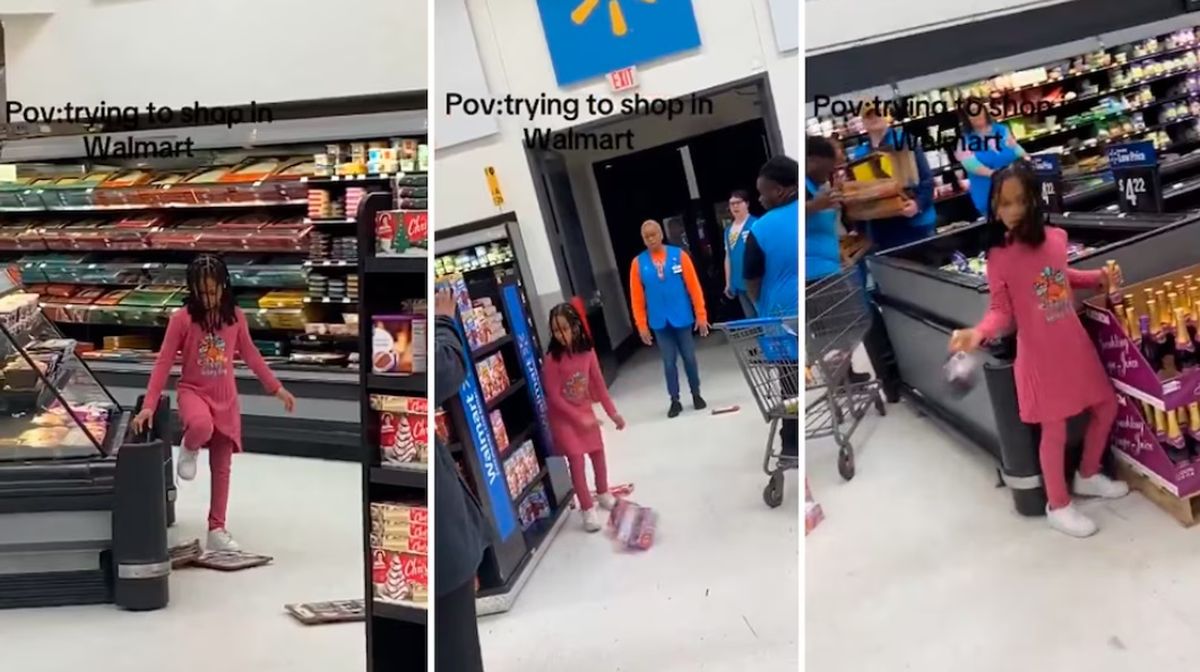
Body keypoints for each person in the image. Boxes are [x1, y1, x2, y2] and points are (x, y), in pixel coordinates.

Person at [948, 164, 1127, 538]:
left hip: (1073, 344)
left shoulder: (1056, 239)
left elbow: (1058, 277)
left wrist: (1098, 278)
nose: (1011, 210)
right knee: (1054, 429)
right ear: (994, 207)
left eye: (1018, 200)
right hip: (1040, 355)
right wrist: (978, 333)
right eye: (1003, 203)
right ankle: (1058, 506)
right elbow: (1001, 310)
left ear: (1034, 199)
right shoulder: (1000, 257)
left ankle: (1088, 473)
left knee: (1106, 405)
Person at [131, 255, 296, 552]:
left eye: (213, 291)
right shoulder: (181, 319)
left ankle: (216, 528)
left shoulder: (236, 317)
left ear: (223, 287)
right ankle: (189, 446)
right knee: (201, 426)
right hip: (193, 391)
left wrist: (276, 388)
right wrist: (149, 405)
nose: (208, 298)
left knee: (222, 467)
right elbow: (164, 362)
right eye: (202, 292)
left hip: (226, 398)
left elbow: (251, 354)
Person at [433, 288, 488, 671]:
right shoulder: (391, 322)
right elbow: (443, 372)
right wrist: (443, 321)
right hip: (436, 540)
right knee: (456, 648)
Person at [541, 303, 626, 531]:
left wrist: (613, 414)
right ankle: (587, 508)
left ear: (576, 327)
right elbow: (554, 397)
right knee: (576, 461)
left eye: (565, 329)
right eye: (556, 331)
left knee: (598, 453)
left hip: (584, 410)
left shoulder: (588, 353)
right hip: (564, 419)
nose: (561, 335)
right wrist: (579, 419)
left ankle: (603, 492)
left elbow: (599, 386)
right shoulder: (552, 360)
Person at [743, 154, 800, 459]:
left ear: (779, 190)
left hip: (782, 317)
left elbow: (751, 278)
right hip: (821, 302)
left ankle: (791, 442)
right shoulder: (812, 211)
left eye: (763, 192)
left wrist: (761, 305)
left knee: (789, 381)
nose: (760, 199)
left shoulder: (761, 229)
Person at [629, 219, 709, 418]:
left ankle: (696, 393)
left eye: (653, 234)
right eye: (646, 237)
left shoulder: (679, 256)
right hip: (659, 321)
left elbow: (694, 287)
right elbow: (637, 298)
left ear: (661, 234)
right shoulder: (638, 263)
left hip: (682, 317)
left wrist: (701, 314)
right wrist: (641, 325)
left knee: (689, 358)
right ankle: (674, 399)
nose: (651, 239)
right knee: (668, 362)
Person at [853, 104, 937, 250]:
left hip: (916, 223)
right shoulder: (860, 154)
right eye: (869, 116)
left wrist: (917, 205)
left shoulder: (905, 140)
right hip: (882, 229)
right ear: (863, 122)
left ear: (886, 116)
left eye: (878, 113)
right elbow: (860, 195)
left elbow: (927, 179)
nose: (874, 118)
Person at [956, 97, 1030, 218]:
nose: (976, 114)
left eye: (978, 109)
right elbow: (970, 164)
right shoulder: (965, 141)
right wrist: (993, 174)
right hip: (989, 195)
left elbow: (1015, 148)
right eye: (971, 113)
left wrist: (1026, 157)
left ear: (984, 110)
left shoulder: (1002, 130)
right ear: (966, 118)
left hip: (1015, 190)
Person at [723, 189, 758, 317]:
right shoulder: (728, 230)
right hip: (739, 282)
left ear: (747, 204)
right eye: (732, 204)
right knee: (751, 320)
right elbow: (728, 256)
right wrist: (728, 282)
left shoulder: (756, 224)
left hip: (757, 281)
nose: (735, 206)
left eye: (738, 202)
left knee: (765, 316)